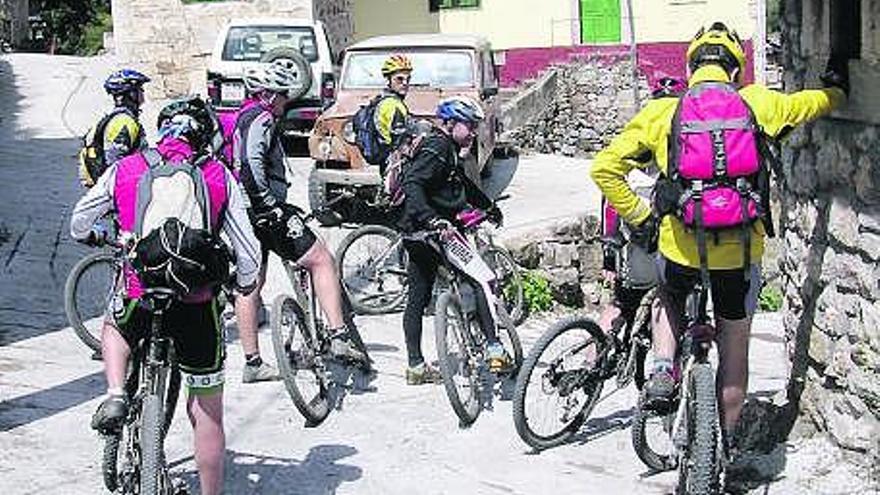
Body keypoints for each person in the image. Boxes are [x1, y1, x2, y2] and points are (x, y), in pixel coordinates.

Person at [590, 21, 847, 459]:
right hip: (740, 254)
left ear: (692, 66)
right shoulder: (756, 103)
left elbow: (604, 169)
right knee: (735, 351)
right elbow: (808, 105)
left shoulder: (662, 112)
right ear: (735, 67)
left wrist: (643, 218)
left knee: (667, 297)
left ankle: (661, 368)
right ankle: (724, 450)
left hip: (681, 248)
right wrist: (837, 91)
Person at [71, 96, 261, 495]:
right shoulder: (217, 174)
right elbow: (248, 254)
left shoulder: (127, 167)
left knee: (114, 327)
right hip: (196, 301)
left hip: (141, 291)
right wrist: (245, 284)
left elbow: (79, 222)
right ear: (204, 135)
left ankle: (116, 393)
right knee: (208, 413)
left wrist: (99, 236)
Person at [233, 59, 368, 383]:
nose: (285, 101)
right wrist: (268, 205)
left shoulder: (242, 117)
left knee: (249, 283)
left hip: (243, 212)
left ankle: (252, 363)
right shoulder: (262, 119)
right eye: (281, 95)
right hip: (265, 211)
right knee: (321, 260)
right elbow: (251, 165)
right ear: (266, 94)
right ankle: (338, 336)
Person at [398, 95, 508, 385]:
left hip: (415, 232)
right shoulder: (437, 147)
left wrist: (488, 206)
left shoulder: (444, 147)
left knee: (417, 298)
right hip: (435, 231)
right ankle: (495, 348)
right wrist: (433, 219)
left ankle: (416, 366)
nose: (473, 132)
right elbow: (413, 184)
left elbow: (463, 184)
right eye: (469, 125)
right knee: (480, 279)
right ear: (449, 123)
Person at [374, 54, 413, 169]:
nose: (405, 83)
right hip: (395, 162)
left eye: (408, 79)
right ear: (388, 80)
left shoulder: (383, 100)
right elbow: (399, 141)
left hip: (385, 159)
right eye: (399, 79)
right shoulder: (392, 105)